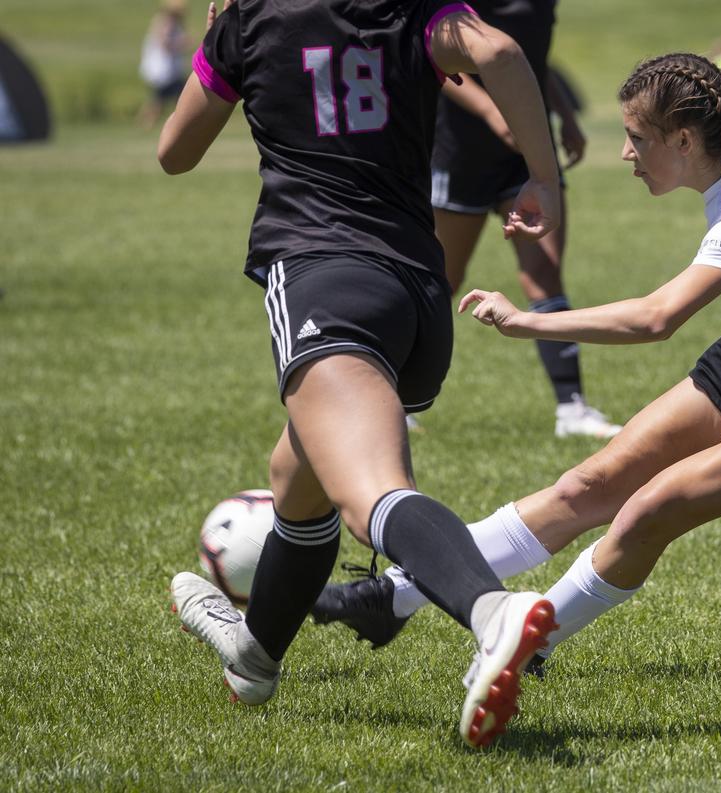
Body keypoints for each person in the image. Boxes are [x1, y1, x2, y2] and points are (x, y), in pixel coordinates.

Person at [311, 52, 721, 670]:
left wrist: (528, 320)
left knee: (652, 509)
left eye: (636, 139)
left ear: (681, 140)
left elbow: (656, 318)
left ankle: (525, 643)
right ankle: (393, 597)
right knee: (584, 488)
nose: (625, 154)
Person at [159, 0, 564, 747]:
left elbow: (174, 150)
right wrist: (542, 177)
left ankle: (492, 613)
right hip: (418, 294)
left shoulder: (250, 18)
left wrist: (223, 42)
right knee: (298, 474)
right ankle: (255, 655)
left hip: (324, 276)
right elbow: (502, 53)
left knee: (370, 491)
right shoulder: (411, 9)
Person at [427, 0, 622, 439]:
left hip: (528, 149)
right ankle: (398, 400)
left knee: (546, 274)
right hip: (461, 151)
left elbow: (529, 57)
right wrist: (489, 109)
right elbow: (427, 54)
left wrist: (566, 117)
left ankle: (571, 409)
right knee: (442, 281)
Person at [137, 0, 191, 129]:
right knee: (159, 101)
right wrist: (182, 43)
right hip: (162, 70)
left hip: (169, 70)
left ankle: (146, 124)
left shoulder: (172, 24)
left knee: (165, 99)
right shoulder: (165, 23)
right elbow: (165, 44)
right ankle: (145, 124)